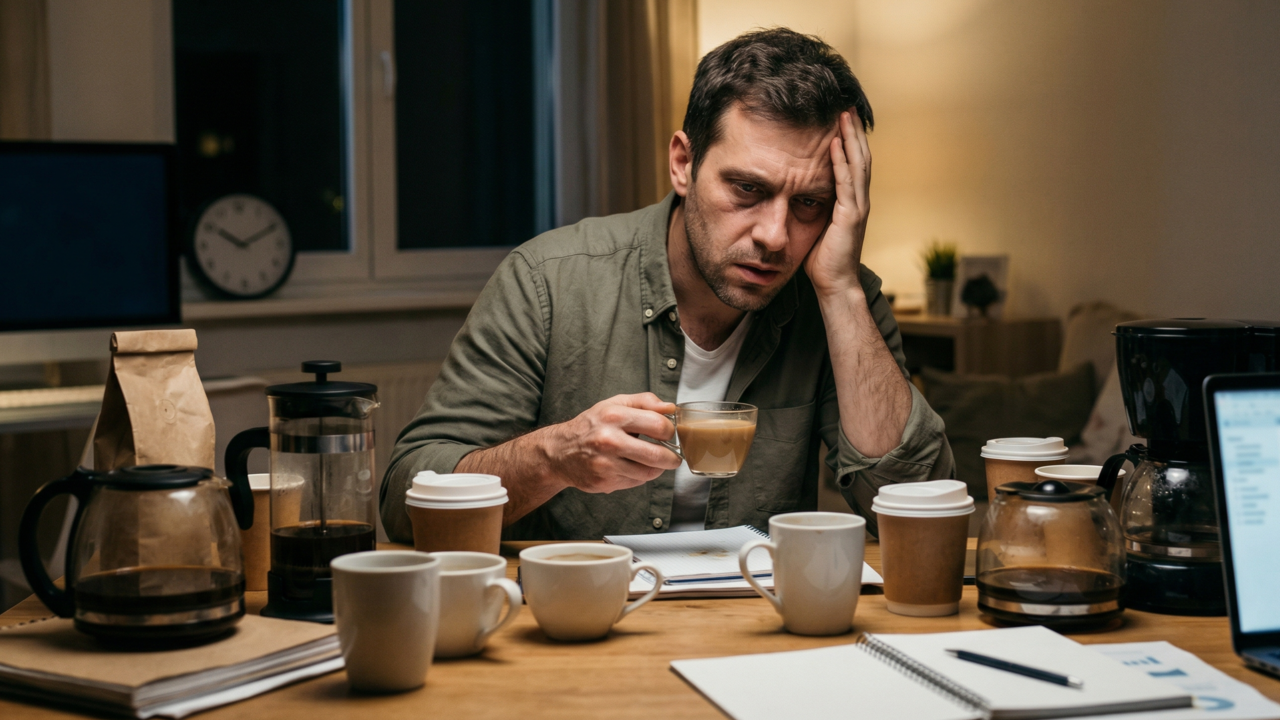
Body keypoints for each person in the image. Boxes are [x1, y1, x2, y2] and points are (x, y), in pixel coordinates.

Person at [381, 28, 954, 543]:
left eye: (809, 203)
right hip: (581, 624)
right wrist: (554, 456)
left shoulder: (838, 296)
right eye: (747, 191)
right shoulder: (548, 280)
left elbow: (911, 511)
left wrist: (841, 291)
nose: (776, 236)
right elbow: (408, 498)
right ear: (683, 163)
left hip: (757, 627)